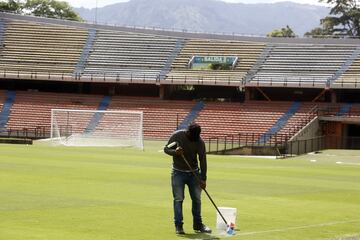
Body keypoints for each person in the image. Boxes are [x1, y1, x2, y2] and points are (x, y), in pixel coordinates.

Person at [164, 123, 212, 235]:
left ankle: (198, 224)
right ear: (188, 132)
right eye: (192, 137)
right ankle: (179, 226)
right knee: (178, 199)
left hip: (194, 173)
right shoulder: (177, 136)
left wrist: (203, 178)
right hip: (178, 172)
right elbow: (166, 149)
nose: (194, 139)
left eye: (196, 138)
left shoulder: (200, 142)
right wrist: (175, 152)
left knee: (197, 199)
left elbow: (203, 160)